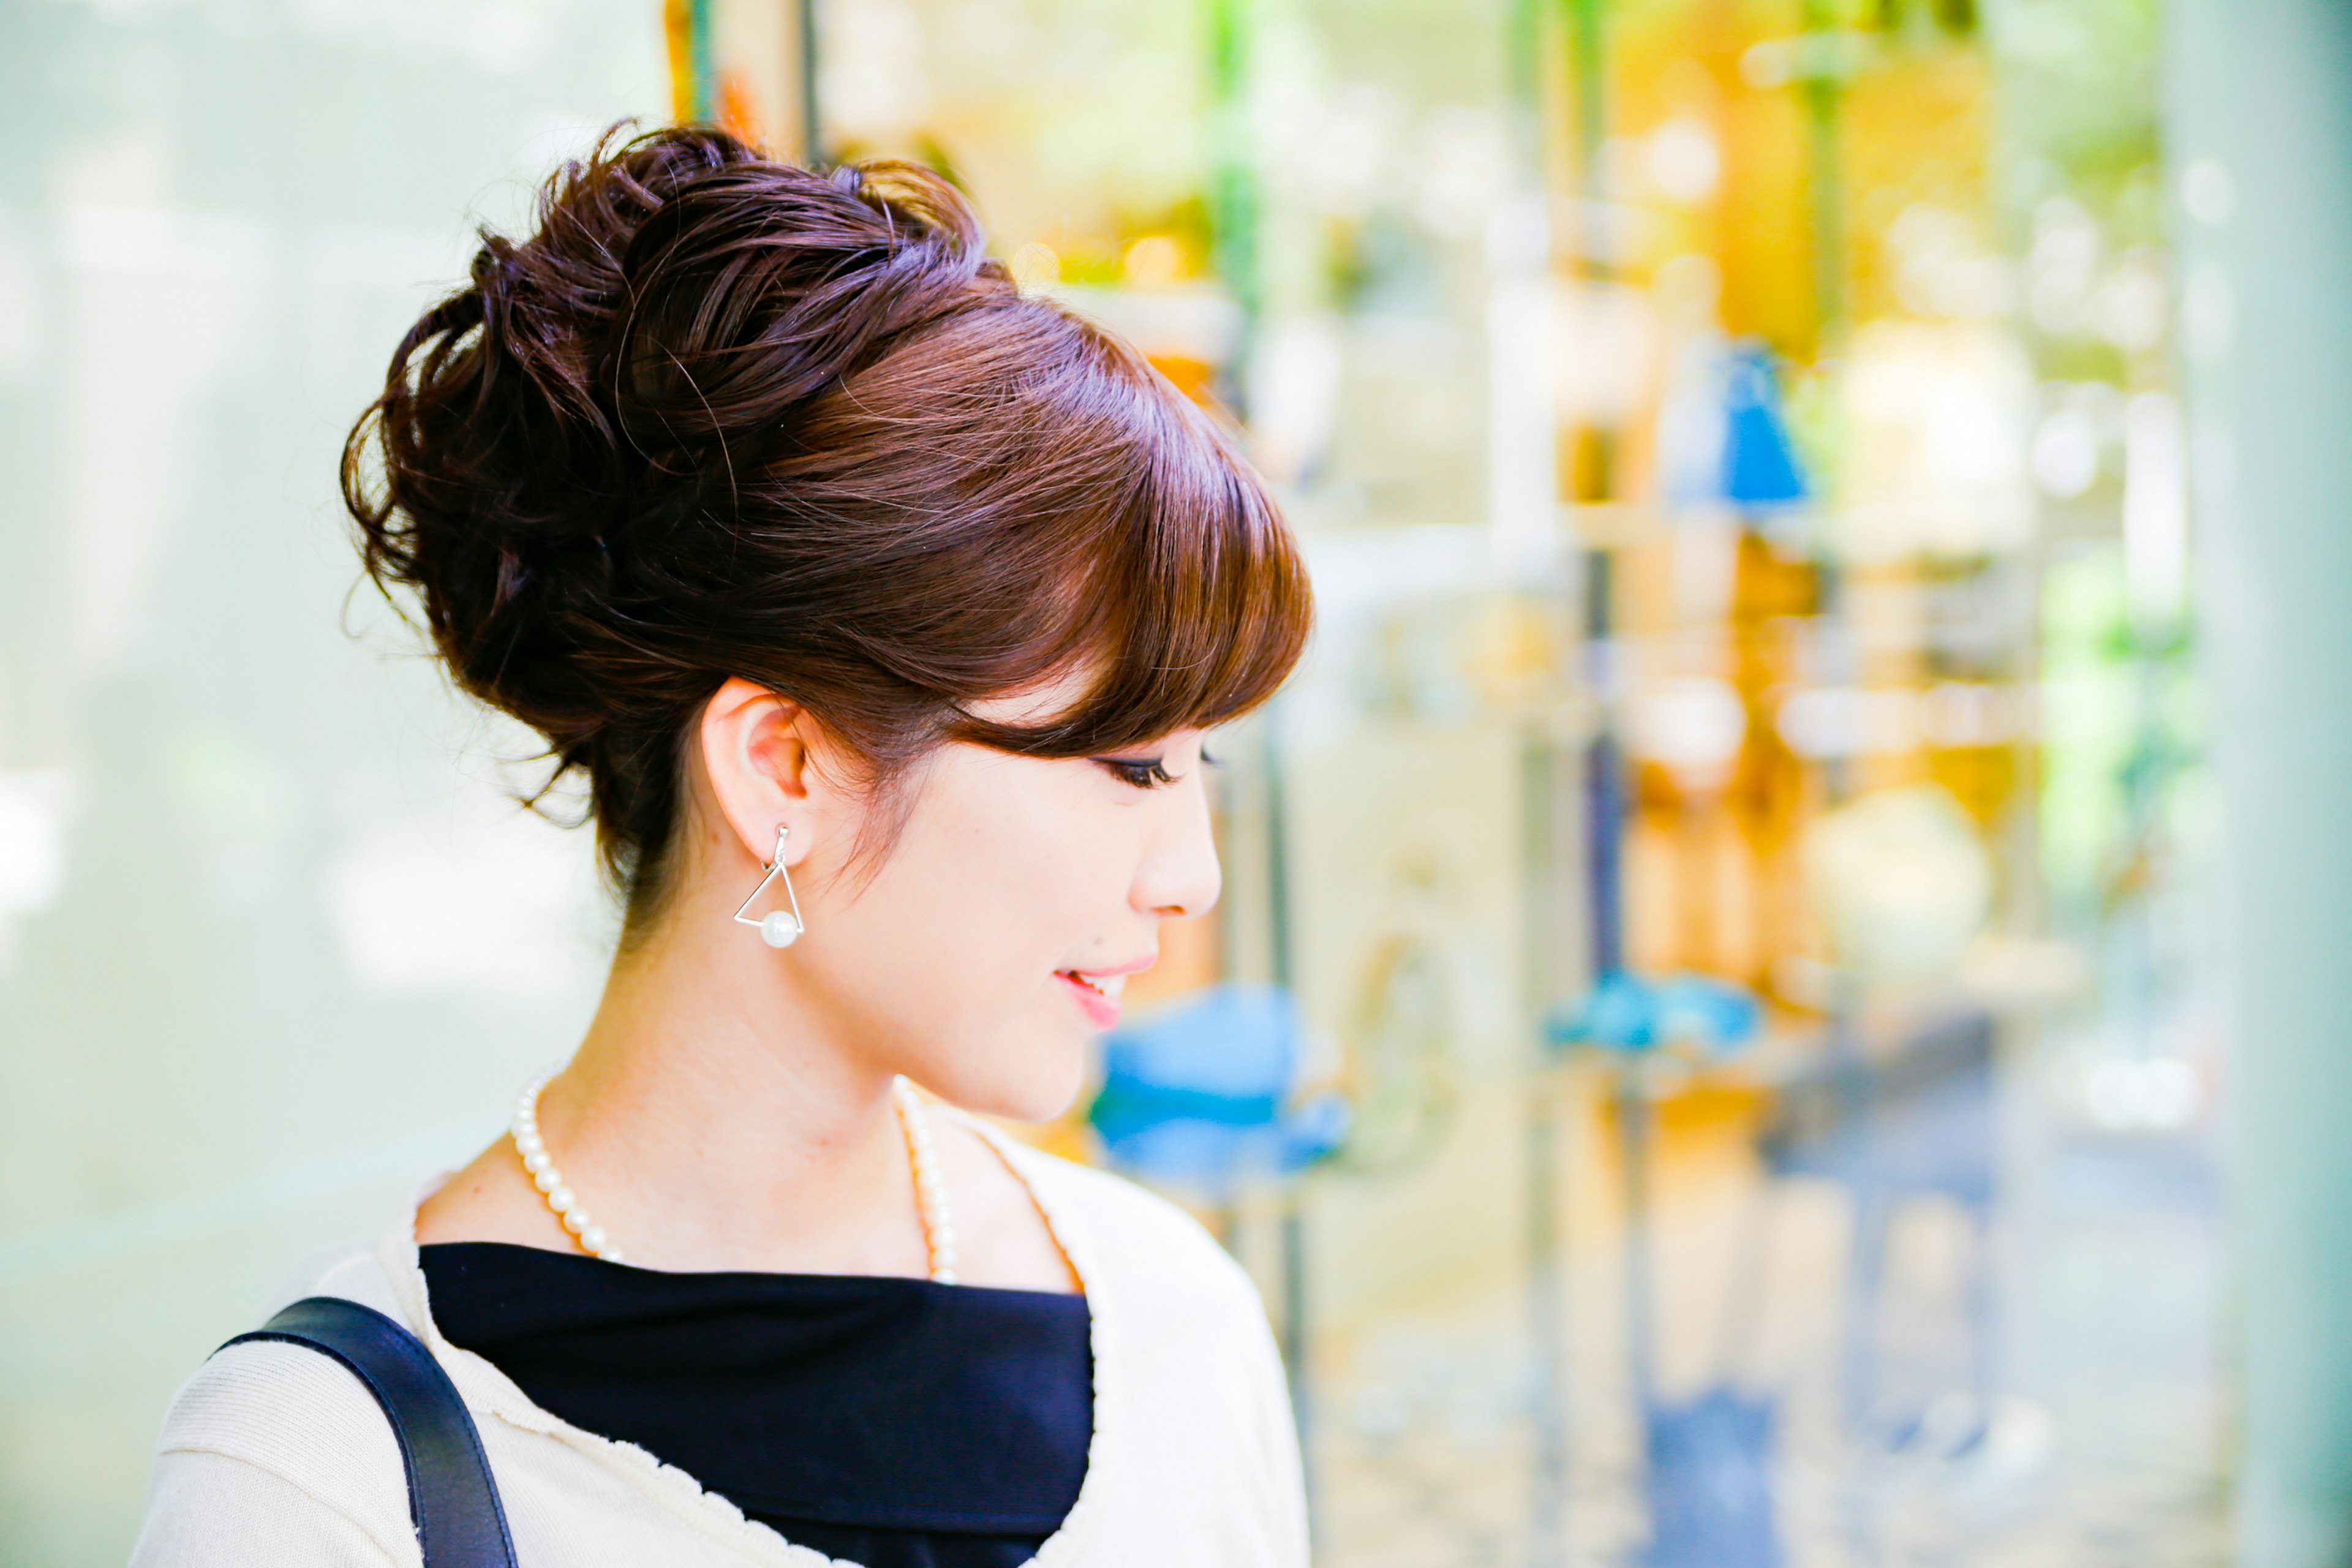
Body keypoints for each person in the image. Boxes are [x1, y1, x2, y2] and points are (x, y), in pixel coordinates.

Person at [129, 124, 1314, 1567]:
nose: (1187, 870)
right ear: (787, 764)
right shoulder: (321, 1473)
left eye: (1204, 762)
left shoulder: (1174, 1322)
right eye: (1130, 762)